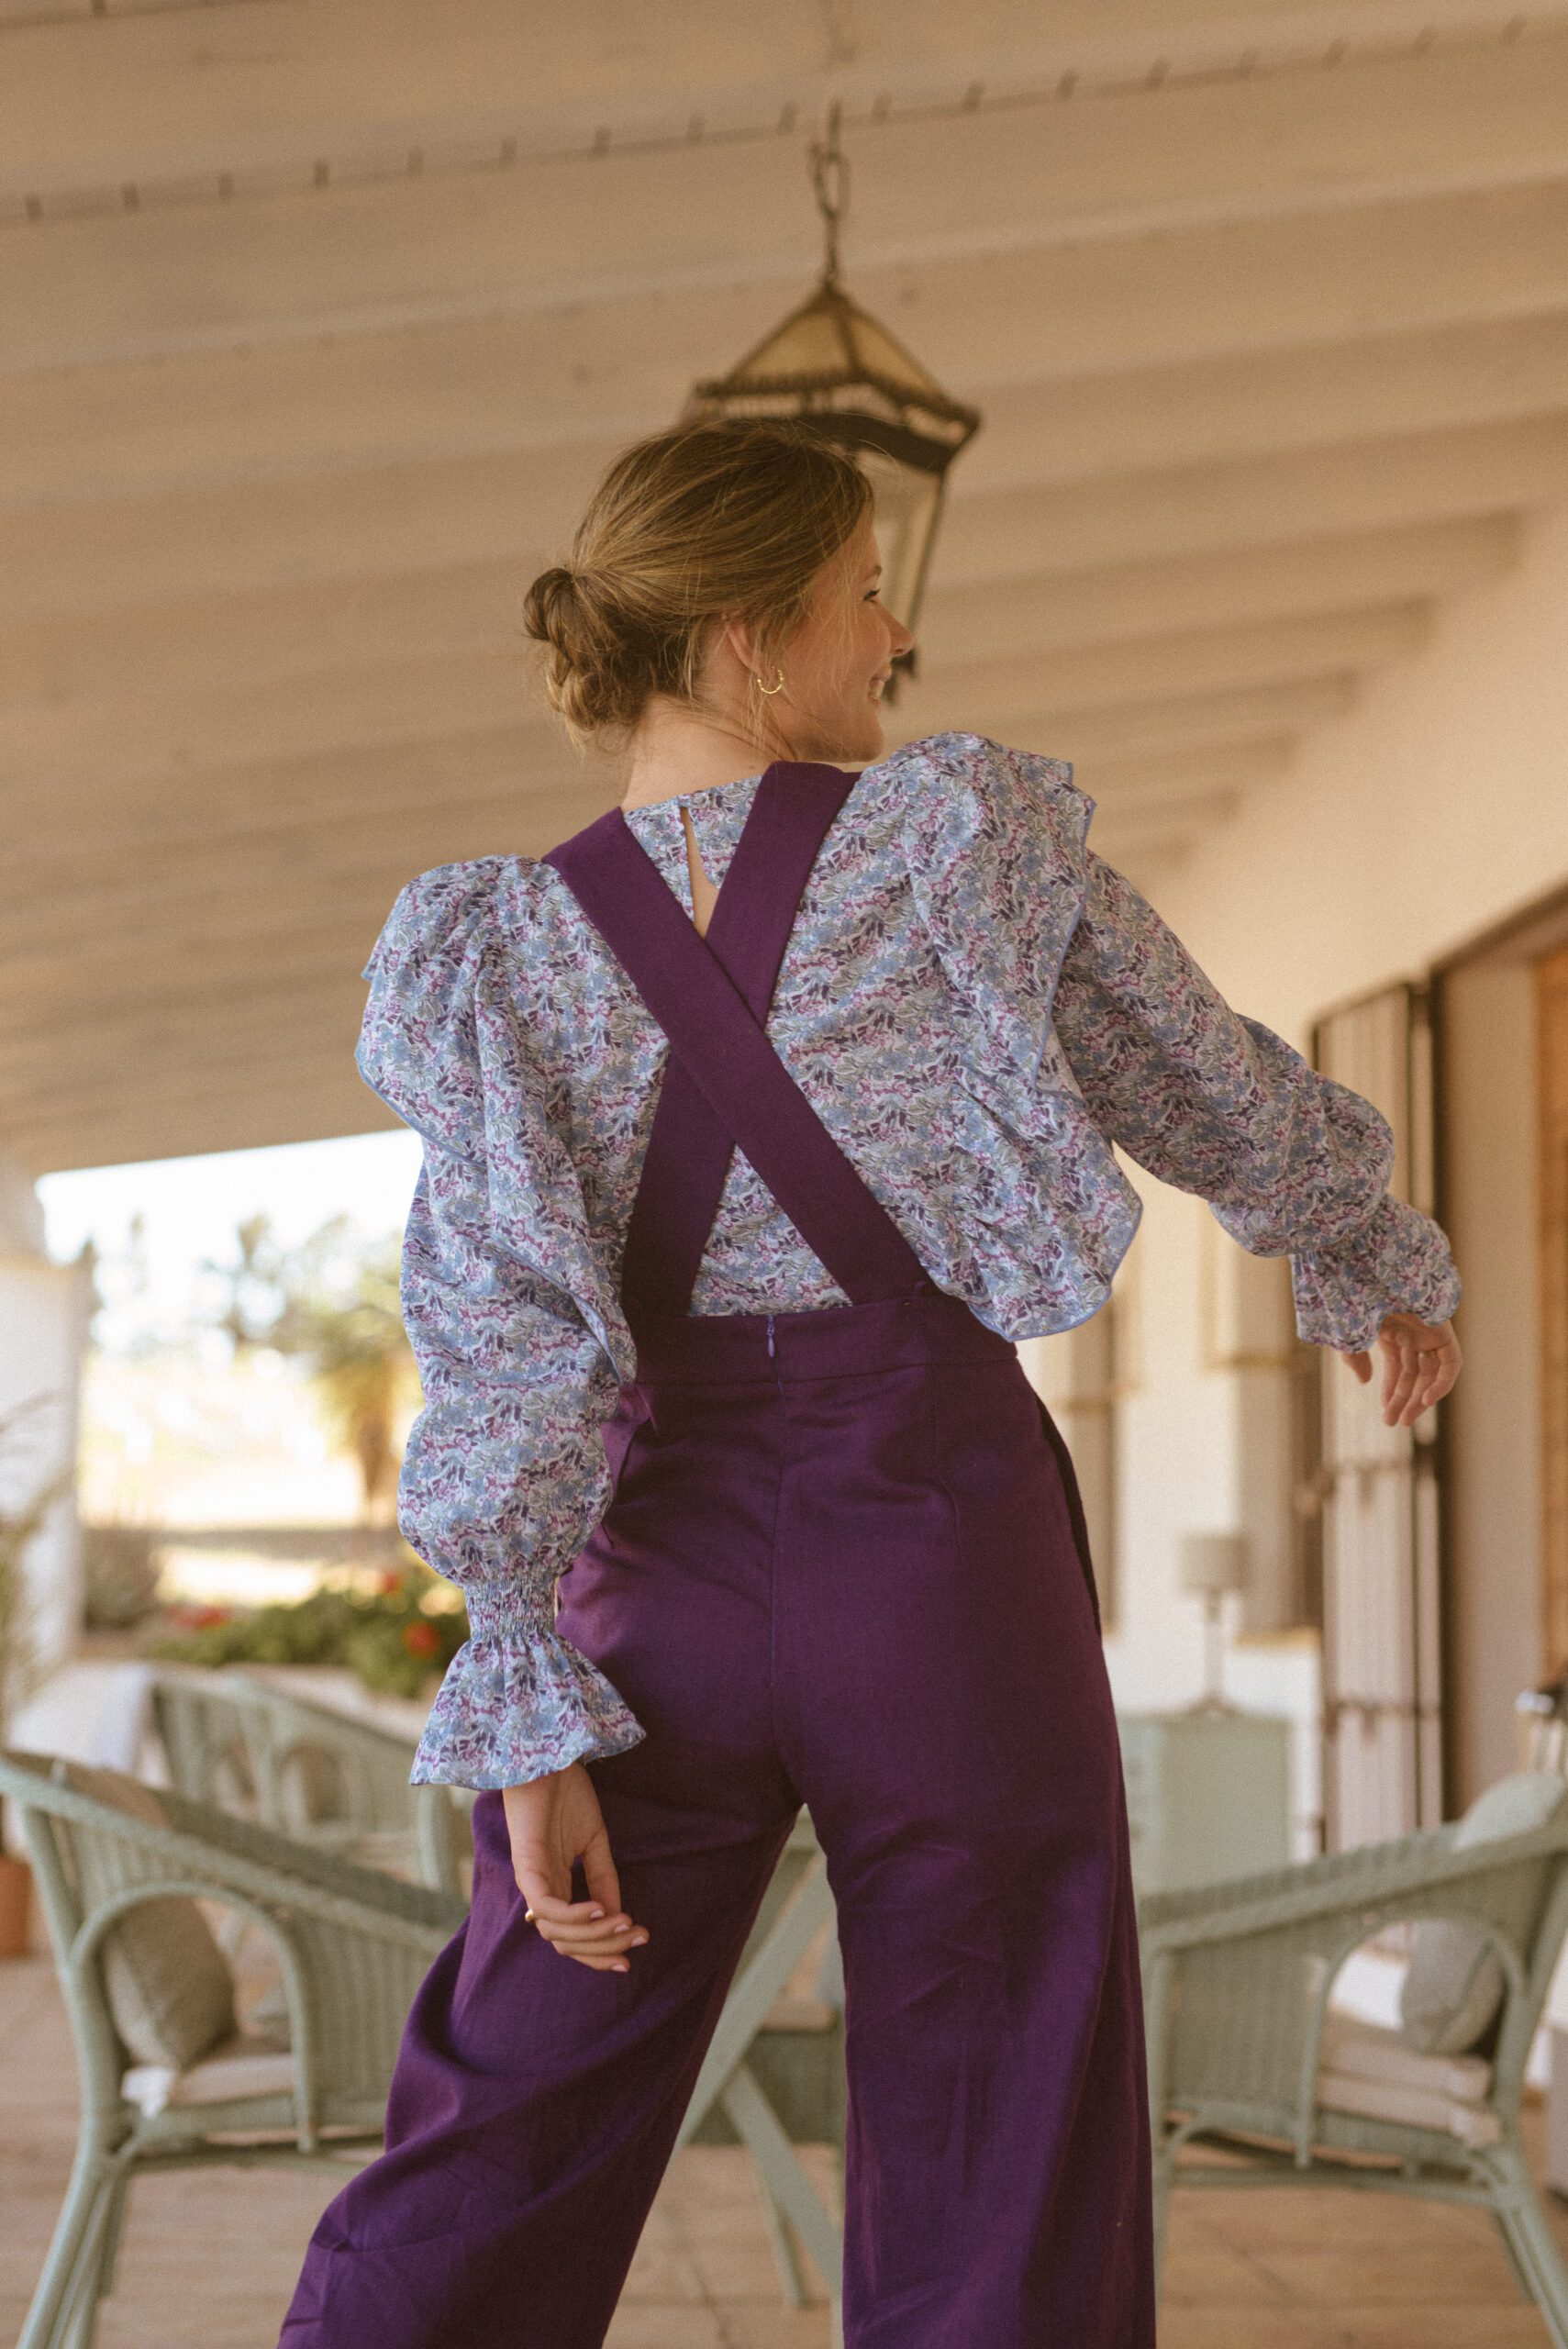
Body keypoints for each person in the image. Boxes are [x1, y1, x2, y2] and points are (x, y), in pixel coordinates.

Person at [277, 418, 1462, 2348]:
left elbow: (494, 1326)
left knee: (514, 2095)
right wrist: (1361, 1245)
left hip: (647, 1571)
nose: (895, 636)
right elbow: (1190, 1066)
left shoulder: (492, 953)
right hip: (940, 1540)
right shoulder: (955, 850)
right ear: (752, 638)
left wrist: (521, 1683)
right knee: (1003, 2093)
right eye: (864, 594)